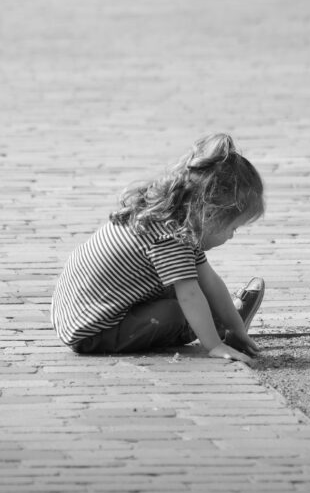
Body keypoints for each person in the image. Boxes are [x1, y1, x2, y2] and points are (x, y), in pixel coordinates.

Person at [51, 133, 266, 365]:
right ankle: (216, 327)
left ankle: (226, 324)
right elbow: (190, 295)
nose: (232, 235)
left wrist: (238, 329)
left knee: (188, 287)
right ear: (210, 214)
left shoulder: (174, 217)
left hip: (80, 314)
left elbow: (210, 282)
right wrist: (214, 345)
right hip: (94, 331)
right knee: (178, 311)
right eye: (232, 227)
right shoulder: (170, 237)